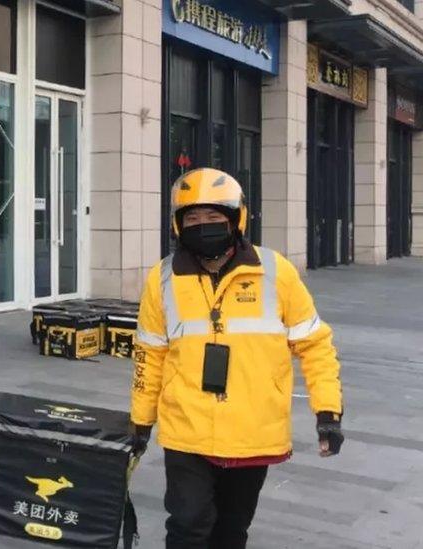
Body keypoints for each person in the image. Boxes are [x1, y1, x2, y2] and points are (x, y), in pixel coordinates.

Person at [130, 167, 344, 549]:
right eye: (191, 218)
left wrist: (327, 411)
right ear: (178, 225)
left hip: (252, 430)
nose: (202, 224)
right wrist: (141, 422)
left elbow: (315, 344)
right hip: (187, 429)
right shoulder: (162, 278)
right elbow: (150, 353)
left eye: (213, 216)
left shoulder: (275, 272)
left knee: (231, 532)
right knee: (187, 524)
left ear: (235, 219)